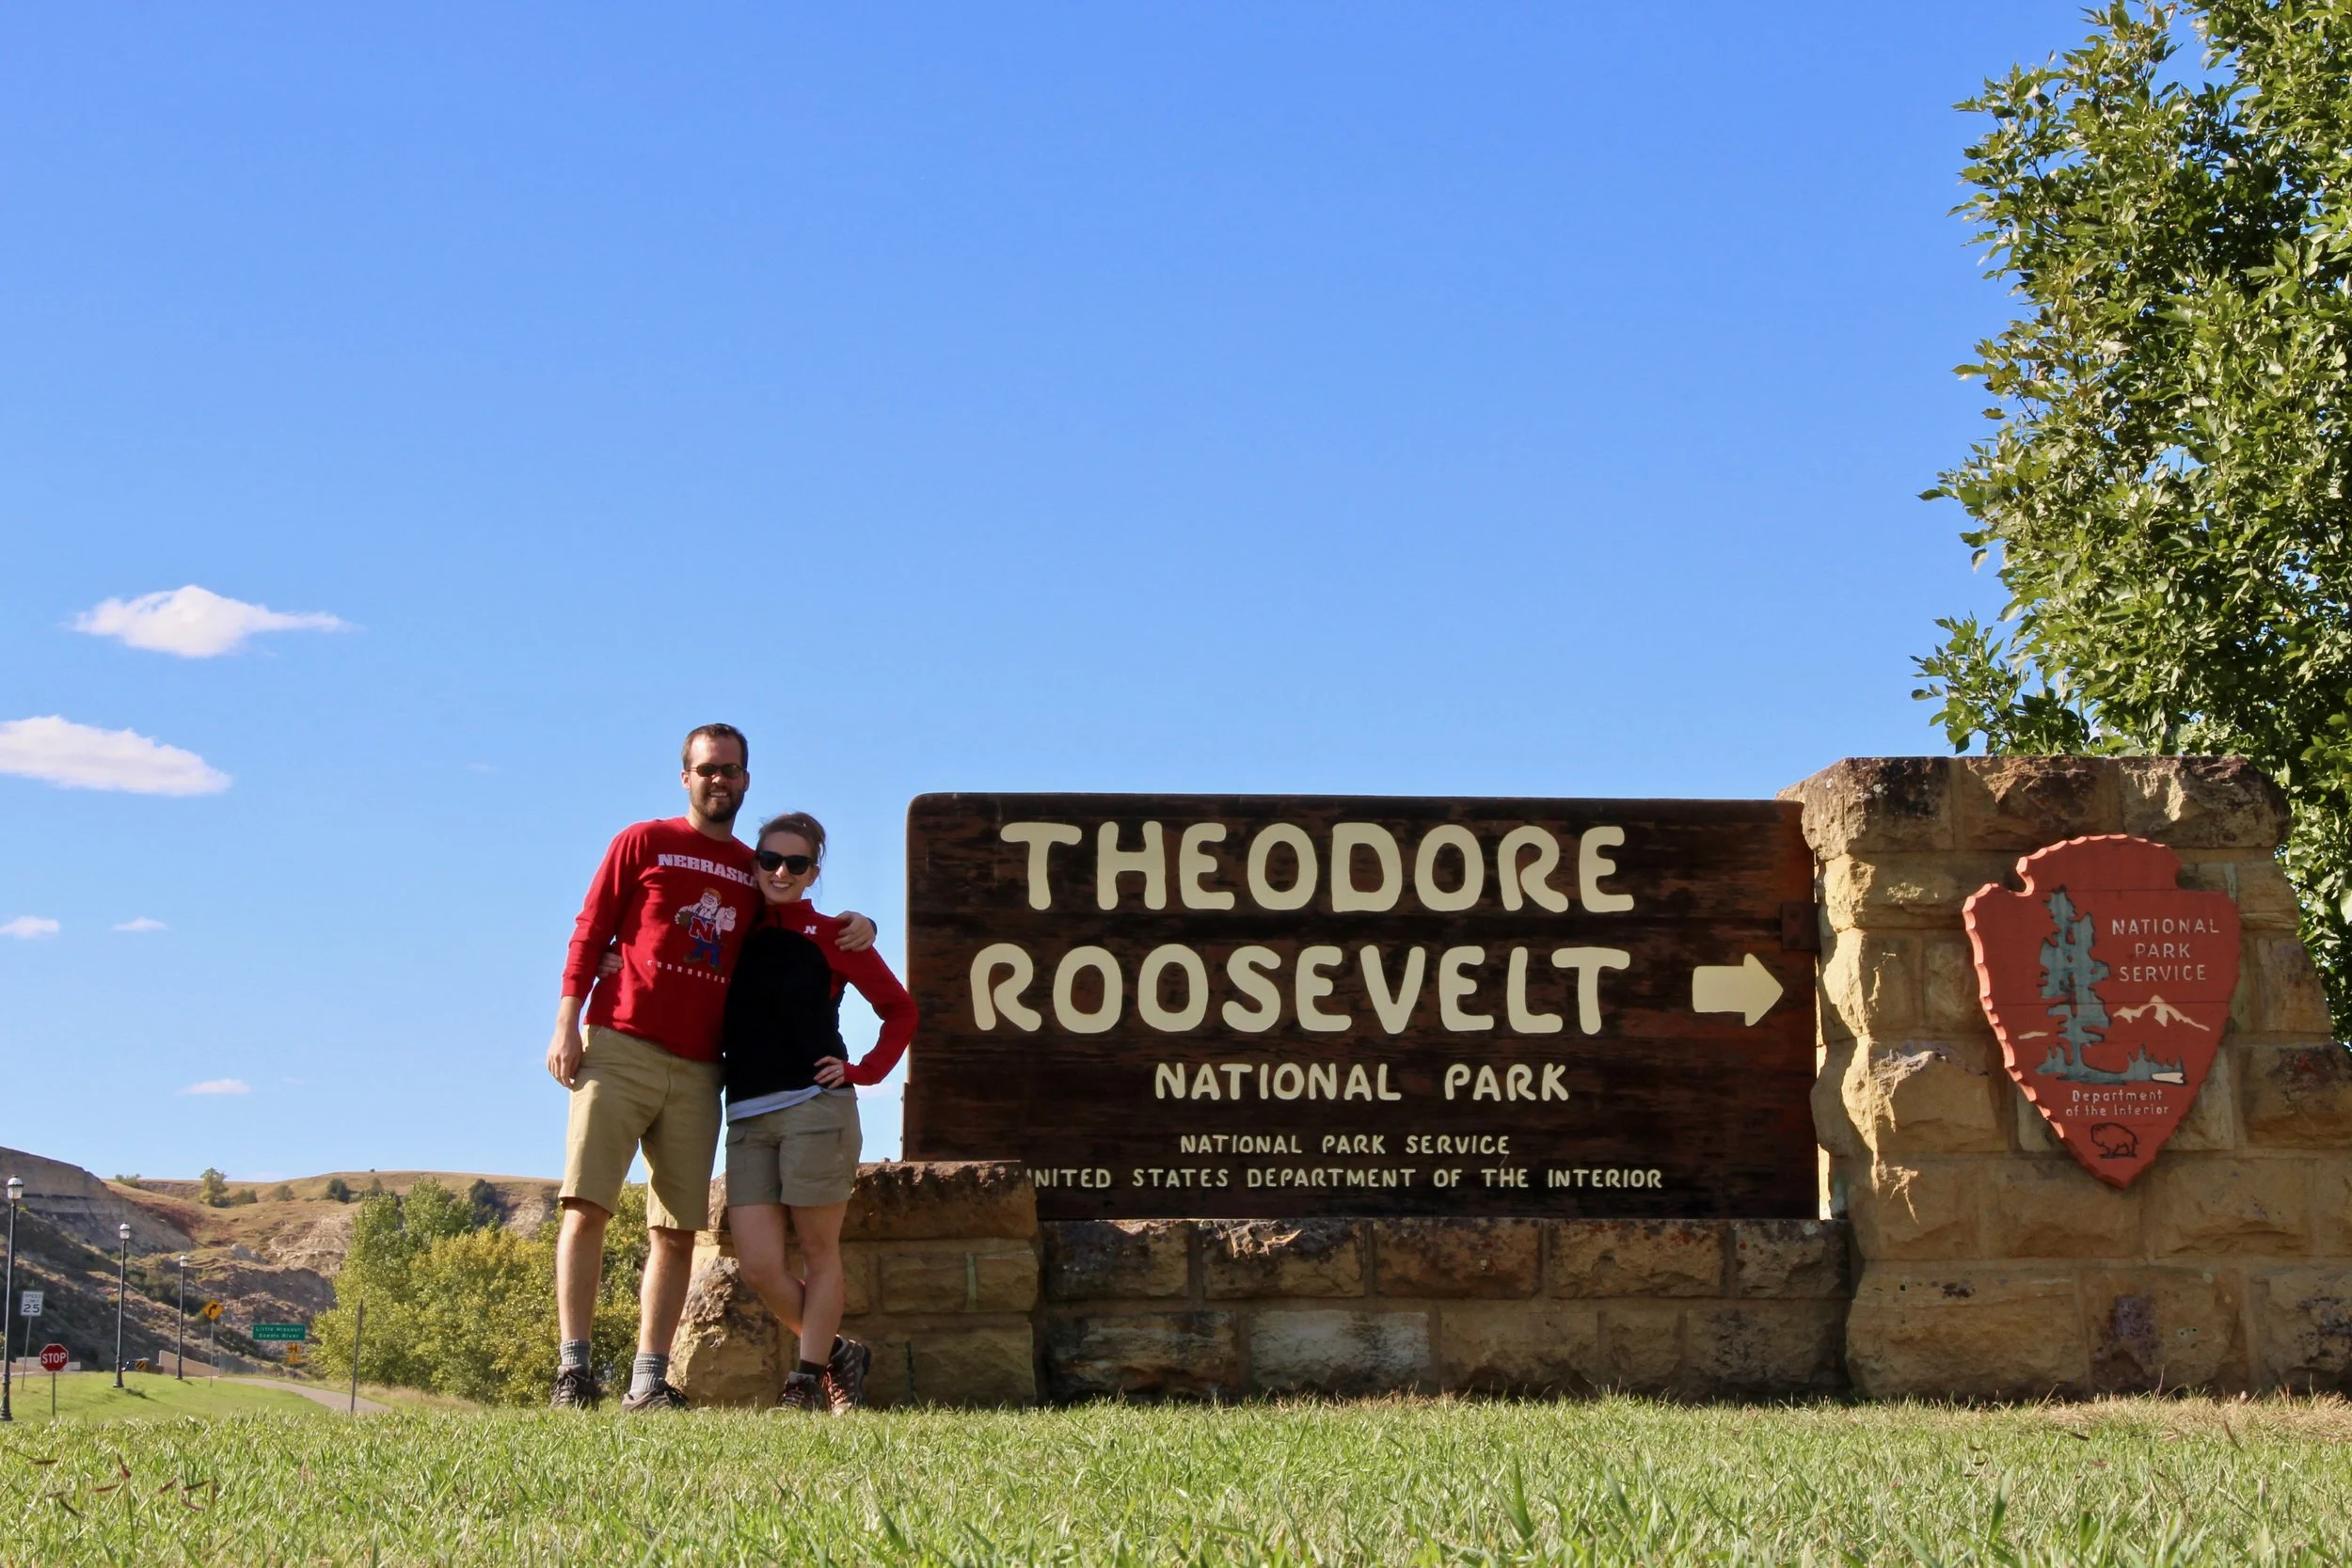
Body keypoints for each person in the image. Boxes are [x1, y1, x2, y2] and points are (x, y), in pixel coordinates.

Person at [545, 723, 876, 1411]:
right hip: (620, 1044)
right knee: (586, 1206)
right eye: (705, 769)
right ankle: (573, 1371)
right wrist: (567, 1021)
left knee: (673, 1229)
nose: (717, 779)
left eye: (730, 769)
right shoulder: (643, 841)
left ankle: (647, 1380)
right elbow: (591, 927)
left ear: (746, 780)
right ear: (685, 776)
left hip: (703, 1068)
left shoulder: (755, 876)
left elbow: (800, 921)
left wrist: (860, 925)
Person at [718, 809, 914, 1413]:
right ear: (752, 863)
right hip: (747, 1114)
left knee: (819, 1251)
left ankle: (806, 1381)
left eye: (795, 863)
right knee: (757, 1266)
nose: (779, 871)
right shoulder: (732, 928)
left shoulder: (836, 935)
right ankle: (838, 1353)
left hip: (815, 1109)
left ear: (812, 873)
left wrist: (863, 1071)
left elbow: (900, 1011)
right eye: (768, 859)